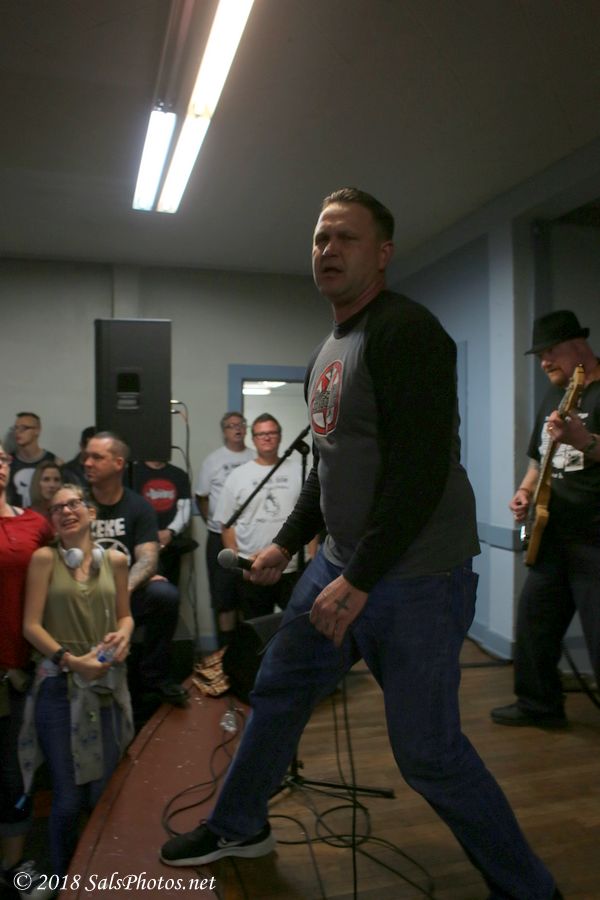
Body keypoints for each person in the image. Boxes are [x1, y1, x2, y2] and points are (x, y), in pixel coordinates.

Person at [160, 188, 561, 900]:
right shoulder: (327, 351)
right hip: (342, 563)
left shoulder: (407, 332)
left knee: (429, 754)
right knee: (280, 686)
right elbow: (327, 463)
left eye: (346, 237)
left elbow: (420, 472)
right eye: (321, 238)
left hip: (416, 577)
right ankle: (239, 822)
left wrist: (361, 578)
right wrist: (289, 545)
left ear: (383, 254)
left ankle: (530, 889)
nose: (328, 249)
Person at [491, 310, 600, 729]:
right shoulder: (554, 397)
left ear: (578, 345)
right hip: (551, 535)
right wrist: (524, 492)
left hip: (594, 539)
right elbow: (539, 460)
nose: (544, 362)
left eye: (550, 351)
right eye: (539, 355)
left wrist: (584, 440)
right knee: (534, 625)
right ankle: (539, 706)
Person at [20, 484, 134, 878]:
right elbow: (31, 626)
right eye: (57, 508)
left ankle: (100, 877)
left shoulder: (115, 561)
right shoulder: (44, 559)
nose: (66, 511)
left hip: (105, 685)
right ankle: (60, 877)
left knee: (103, 794)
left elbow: (125, 614)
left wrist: (124, 634)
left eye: (73, 504)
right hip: (59, 686)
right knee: (67, 799)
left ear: (91, 512)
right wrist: (71, 662)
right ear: (51, 520)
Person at [84, 432, 188, 705]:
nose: (87, 463)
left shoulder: (138, 506)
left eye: (97, 457)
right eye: (87, 457)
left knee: (164, 595)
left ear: (118, 463)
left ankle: (154, 677)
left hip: (125, 590)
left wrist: (124, 588)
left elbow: (147, 559)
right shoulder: (78, 505)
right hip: (84, 590)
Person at [0, 442, 54, 900]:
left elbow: (67, 572)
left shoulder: (35, 524)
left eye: (0, 459)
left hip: (16, 670)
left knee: (14, 773)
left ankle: (13, 870)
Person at [214, 414, 305, 618]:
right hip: (253, 566)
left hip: (293, 567)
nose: (267, 437)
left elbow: (309, 517)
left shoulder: (299, 471)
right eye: (261, 434)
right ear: (253, 438)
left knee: (297, 625)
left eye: (272, 433)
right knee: (256, 627)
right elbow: (226, 524)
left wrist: (312, 555)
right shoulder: (238, 475)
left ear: (280, 436)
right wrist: (239, 563)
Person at [196, 412, 254, 644]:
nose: (237, 429)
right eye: (231, 426)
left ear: (246, 429)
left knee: (248, 598)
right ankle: (225, 652)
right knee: (224, 598)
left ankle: (246, 653)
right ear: (224, 431)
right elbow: (202, 497)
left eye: (240, 424)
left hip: (250, 537)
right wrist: (214, 522)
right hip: (219, 538)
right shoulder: (213, 460)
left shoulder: (255, 457)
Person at [131, 459, 194, 587]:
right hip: (139, 545)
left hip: (170, 547)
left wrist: (170, 531)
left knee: (170, 589)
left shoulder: (179, 474)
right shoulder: (131, 473)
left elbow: (185, 508)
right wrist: (148, 536)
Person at [8, 413, 63, 508]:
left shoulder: (54, 461)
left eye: (24, 428)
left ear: (37, 431)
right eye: (16, 428)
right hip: (16, 515)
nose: (18, 432)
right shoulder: (8, 462)